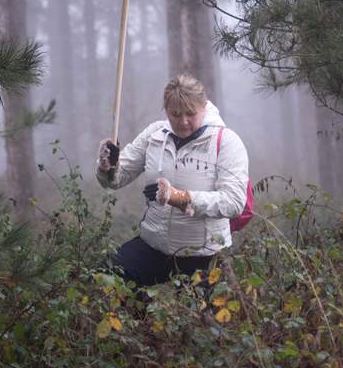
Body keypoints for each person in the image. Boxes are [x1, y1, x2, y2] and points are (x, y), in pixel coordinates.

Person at [96, 74, 250, 290]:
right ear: (166, 109)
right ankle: (142, 323)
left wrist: (179, 197)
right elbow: (116, 180)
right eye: (175, 114)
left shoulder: (226, 141)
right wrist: (108, 166)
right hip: (154, 246)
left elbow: (234, 203)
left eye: (190, 113)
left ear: (204, 107)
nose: (183, 121)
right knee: (107, 275)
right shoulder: (154, 134)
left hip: (203, 254)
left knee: (200, 320)